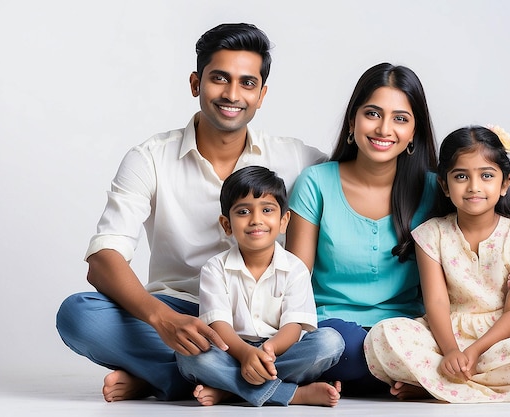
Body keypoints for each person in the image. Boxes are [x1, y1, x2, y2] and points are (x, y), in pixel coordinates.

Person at [55, 23, 327, 402]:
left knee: (329, 341)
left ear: (262, 94)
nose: (233, 94)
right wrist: (160, 318)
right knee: (78, 315)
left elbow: (356, 183)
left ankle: (168, 378)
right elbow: (103, 258)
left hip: (261, 320)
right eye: (220, 79)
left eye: (247, 83)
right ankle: (250, 384)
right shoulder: (149, 158)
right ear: (195, 83)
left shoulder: (298, 158)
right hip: (178, 309)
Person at [285, 64, 510, 396]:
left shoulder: (435, 188)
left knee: (477, 351)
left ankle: (420, 378)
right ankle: (419, 380)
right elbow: (292, 279)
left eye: (400, 118)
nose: (384, 129)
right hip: (333, 327)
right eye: (373, 113)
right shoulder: (316, 182)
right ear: (353, 121)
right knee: (343, 347)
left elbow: (486, 225)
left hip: (411, 332)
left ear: (414, 132)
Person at [363, 125, 510, 402]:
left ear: (505, 184)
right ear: (444, 185)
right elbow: (436, 302)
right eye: (461, 176)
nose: (474, 187)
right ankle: (467, 382)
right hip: (444, 336)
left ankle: (436, 386)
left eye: (486, 176)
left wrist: (474, 352)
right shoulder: (431, 235)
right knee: (383, 335)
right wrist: (450, 351)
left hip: (503, 340)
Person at [175, 166, 344, 407]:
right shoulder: (215, 268)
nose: (256, 220)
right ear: (227, 225)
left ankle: (231, 391)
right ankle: (293, 395)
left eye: (267, 210)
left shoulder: (295, 268)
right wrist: (245, 354)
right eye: (243, 211)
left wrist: (266, 351)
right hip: (232, 352)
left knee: (330, 342)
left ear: (284, 220)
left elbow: (293, 327)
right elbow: (218, 325)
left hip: (279, 353)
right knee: (187, 355)